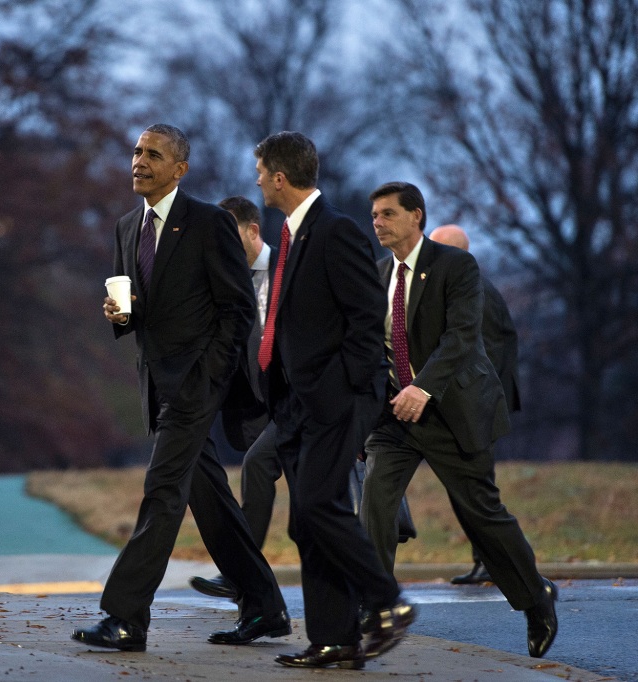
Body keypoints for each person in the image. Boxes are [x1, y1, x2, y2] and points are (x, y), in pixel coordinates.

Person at [71, 124, 290, 653]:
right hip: (156, 383)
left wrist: (210, 376)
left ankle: (126, 617)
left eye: (153, 154)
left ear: (179, 169)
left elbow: (237, 307)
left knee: (162, 492)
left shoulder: (209, 222)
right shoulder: (127, 226)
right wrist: (119, 314)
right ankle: (264, 605)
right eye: (137, 152)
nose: (139, 161)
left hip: (196, 386)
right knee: (207, 497)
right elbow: (136, 308)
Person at [361, 182, 557, 659]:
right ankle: (377, 607)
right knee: (375, 502)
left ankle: (536, 599)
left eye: (388, 214)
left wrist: (423, 388)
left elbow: (463, 337)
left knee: (482, 514)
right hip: (395, 415)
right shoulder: (377, 273)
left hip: (452, 411)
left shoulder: (455, 266)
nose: (378, 222)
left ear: (416, 216)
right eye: (374, 215)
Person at [253, 132, 414, 670]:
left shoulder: (336, 230)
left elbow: (368, 323)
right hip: (298, 405)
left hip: (337, 400)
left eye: (260, 171)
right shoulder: (294, 234)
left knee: (322, 504)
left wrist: (343, 392)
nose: (255, 180)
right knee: (307, 521)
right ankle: (335, 640)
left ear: (279, 177)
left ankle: (388, 602)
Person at [189, 196, 280, 601]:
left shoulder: (288, 269)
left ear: (252, 231)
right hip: (256, 406)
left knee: (262, 468)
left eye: (229, 235)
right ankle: (245, 579)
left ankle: (242, 574)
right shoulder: (224, 279)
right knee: (261, 469)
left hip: (298, 400)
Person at [430, 224, 523, 585]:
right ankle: (487, 561)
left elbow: (482, 358)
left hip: (476, 407)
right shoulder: (469, 288)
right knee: (471, 491)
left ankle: (500, 564)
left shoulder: (474, 292)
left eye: (436, 250)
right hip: (473, 404)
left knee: (477, 492)